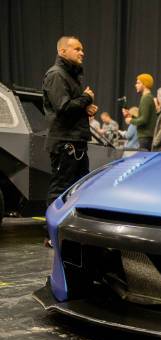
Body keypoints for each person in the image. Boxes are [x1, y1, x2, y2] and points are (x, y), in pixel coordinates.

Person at [42, 36, 97, 247]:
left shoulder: (70, 75)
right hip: (65, 142)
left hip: (76, 141)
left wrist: (85, 107)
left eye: (82, 49)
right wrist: (86, 98)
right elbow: (63, 107)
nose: (82, 52)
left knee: (78, 189)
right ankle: (51, 235)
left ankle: (69, 233)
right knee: (60, 189)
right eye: (77, 49)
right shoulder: (56, 74)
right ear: (62, 51)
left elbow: (69, 106)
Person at [125, 73, 156, 151]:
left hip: (145, 138)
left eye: (138, 83)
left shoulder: (146, 98)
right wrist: (131, 116)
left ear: (144, 84)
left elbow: (144, 120)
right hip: (146, 137)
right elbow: (144, 117)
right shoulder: (147, 97)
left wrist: (130, 120)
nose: (136, 85)